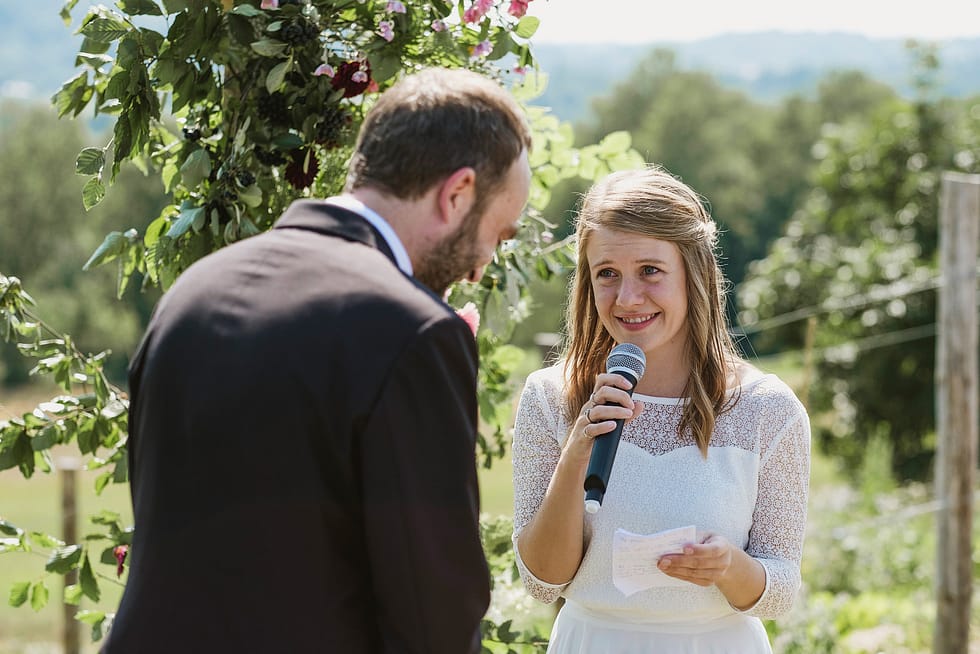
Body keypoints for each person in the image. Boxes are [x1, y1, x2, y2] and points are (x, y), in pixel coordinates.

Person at [104, 67, 532, 654]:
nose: (483, 267)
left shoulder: (192, 293)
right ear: (457, 193)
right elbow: (433, 614)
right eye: (499, 235)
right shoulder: (412, 332)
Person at [511, 166, 810, 653]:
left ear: (694, 273)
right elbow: (543, 582)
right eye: (607, 274)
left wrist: (728, 566)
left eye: (650, 270)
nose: (628, 299)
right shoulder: (549, 397)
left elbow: (779, 592)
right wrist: (576, 453)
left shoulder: (768, 410)